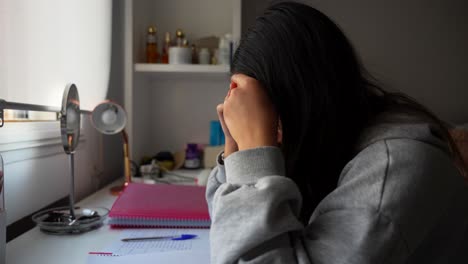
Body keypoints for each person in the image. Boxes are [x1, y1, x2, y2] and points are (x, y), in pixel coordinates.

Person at [205, 2, 468, 263]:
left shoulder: (395, 170)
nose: (273, 139)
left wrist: (253, 158)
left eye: (268, 122)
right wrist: (235, 151)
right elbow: (229, 236)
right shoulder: (333, 145)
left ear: (306, 103)